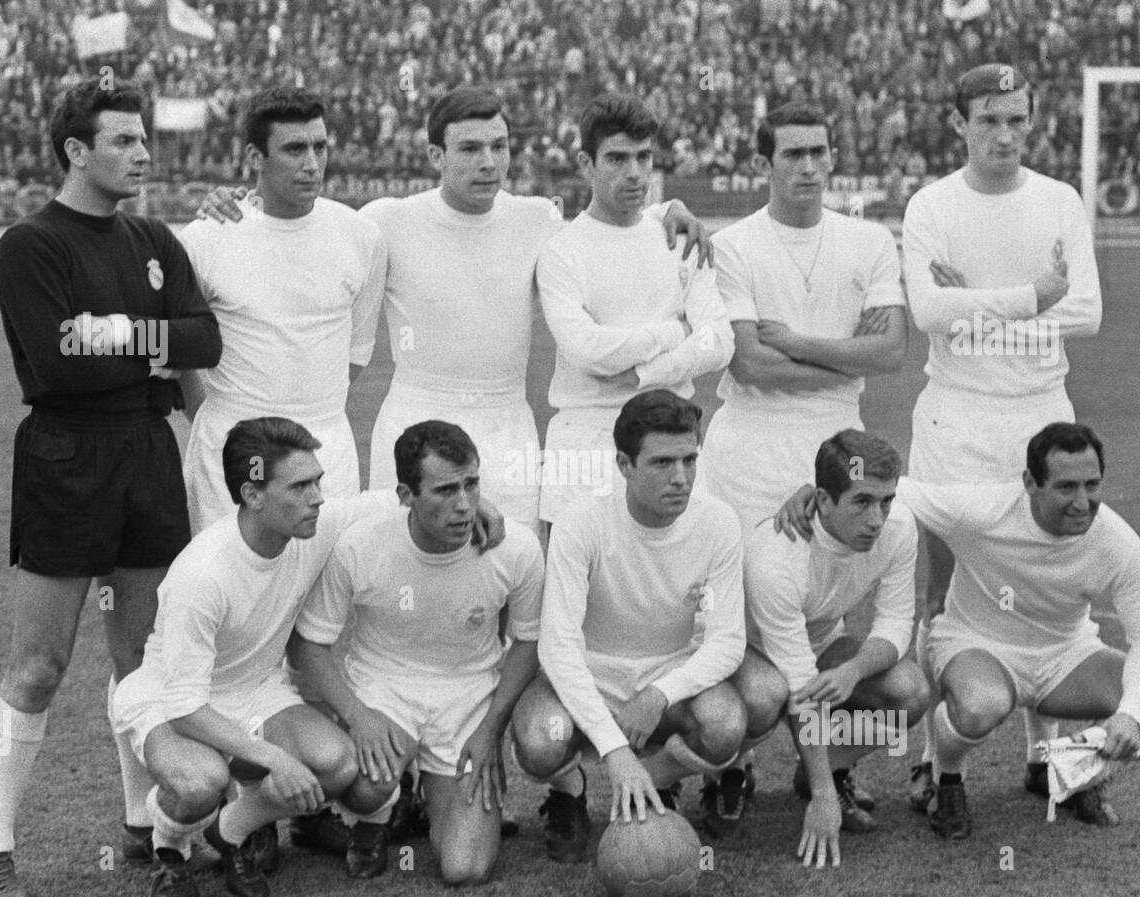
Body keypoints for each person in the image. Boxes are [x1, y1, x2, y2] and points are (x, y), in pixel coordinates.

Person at [197, 86, 712, 536]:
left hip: (508, 423)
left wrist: (667, 210)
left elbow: (603, 226)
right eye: (469, 148)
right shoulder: (385, 222)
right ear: (435, 155)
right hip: (413, 417)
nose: (488, 161)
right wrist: (235, 199)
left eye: (499, 146)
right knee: (401, 572)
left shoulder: (538, 220)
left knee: (514, 574)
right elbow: (297, 230)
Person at [0, 80, 222, 897]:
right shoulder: (30, 246)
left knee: (142, 660)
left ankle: (141, 825)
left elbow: (203, 338)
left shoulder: (154, 237)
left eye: (144, 139)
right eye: (124, 141)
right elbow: (57, 367)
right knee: (39, 669)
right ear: (77, 152)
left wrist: (117, 334)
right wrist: (146, 344)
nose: (144, 154)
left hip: (148, 453)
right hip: (65, 457)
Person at [775, 423, 1140, 838]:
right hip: (976, 645)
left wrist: (1129, 716)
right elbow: (895, 491)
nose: (1082, 502)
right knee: (979, 704)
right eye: (1066, 487)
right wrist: (813, 491)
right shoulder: (982, 509)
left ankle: (1080, 778)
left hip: (1067, 656)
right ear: (1029, 483)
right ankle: (947, 779)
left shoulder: (1119, 543)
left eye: (1092, 485)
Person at [697, 100, 906, 824]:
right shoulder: (735, 246)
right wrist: (845, 361)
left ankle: (832, 769)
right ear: (763, 164)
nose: (810, 167)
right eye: (792, 155)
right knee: (736, 616)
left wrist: (802, 344)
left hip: (838, 449)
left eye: (819, 152)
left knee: (818, 608)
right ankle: (731, 761)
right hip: (747, 449)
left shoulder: (869, 241)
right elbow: (750, 362)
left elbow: (892, 350)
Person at [901, 64, 1102, 811]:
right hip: (956, 415)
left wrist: (976, 306)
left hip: (1039, 413)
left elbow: (1086, 312)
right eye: (989, 119)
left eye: (1016, 119)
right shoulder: (931, 206)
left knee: (1052, 583)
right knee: (943, 586)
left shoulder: (1058, 200)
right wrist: (1029, 297)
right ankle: (932, 762)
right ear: (960, 123)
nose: (1005, 134)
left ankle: (1048, 758)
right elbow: (927, 310)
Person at [110, 418, 379, 897]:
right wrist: (274, 758)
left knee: (337, 764)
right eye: (300, 486)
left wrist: (481, 506)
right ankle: (170, 849)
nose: (318, 497)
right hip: (173, 699)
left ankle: (230, 830)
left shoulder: (311, 528)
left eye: (318, 482)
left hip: (254, 689)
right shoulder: (202, 573)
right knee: (200, 783)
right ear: (253, 495)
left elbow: (391, 502)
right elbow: (188, 706)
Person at [288, 421, 545, 883]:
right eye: (445, 490)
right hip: (383, 690)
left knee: (465, 869)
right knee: (368, 786)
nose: (464, 505)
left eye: (472, 485)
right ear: (405, 494)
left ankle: (428, 795)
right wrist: (358, 716)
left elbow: (528, 641)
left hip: (468, 699)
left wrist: (491, 729)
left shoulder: (516, 547)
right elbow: (309, 646)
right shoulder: (361, 544)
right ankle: (382, 805)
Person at [512, 391, 746, 862]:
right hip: (590, 676)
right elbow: (558, 647)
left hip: (668, 678)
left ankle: (655, 782)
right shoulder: (581, 522)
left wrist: (660, 695)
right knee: (542, 741)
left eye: (689, 459)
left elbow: (727, 641)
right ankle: (570, 789)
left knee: (725, 725)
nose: (680, 478)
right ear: (624, 464)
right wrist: (616, 750)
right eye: (661, 463)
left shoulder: (718, 522)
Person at [178, 86, 386, 532]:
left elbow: (354, 355)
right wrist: (218, 419)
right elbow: (175, 357)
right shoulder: (206, 238)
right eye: (294, 149)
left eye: (320, 147)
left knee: (327, 592)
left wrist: (305, 409)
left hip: (327, 448)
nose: (312, 163)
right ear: (255, 157)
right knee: (235, 590)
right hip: (232, 452)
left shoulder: (360, 236)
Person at [536, 95, 734, 529]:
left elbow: (719, 342)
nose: (634, 173)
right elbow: (587, 351)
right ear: (586, 164)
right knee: (575, 592)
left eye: (644, 157)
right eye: (617, 159)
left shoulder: (678, 237)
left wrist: (645, 376)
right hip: (585, 439)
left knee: (678, 588)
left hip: (669, 435)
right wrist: (674, 332)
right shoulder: (562, 252)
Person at [740, 430, 927, 861]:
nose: (877, 519)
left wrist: (852, 671)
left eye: (886, 501)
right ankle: (724, 777)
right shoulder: (778, 558)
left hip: (822, 644)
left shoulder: (897, 529)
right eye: (862, 502)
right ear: (823, 501)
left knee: (910, 692)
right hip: (754, 651)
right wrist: (823, 801)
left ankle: (826, 768)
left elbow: (897, 622)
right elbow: (800, 681)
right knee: (763, 699)